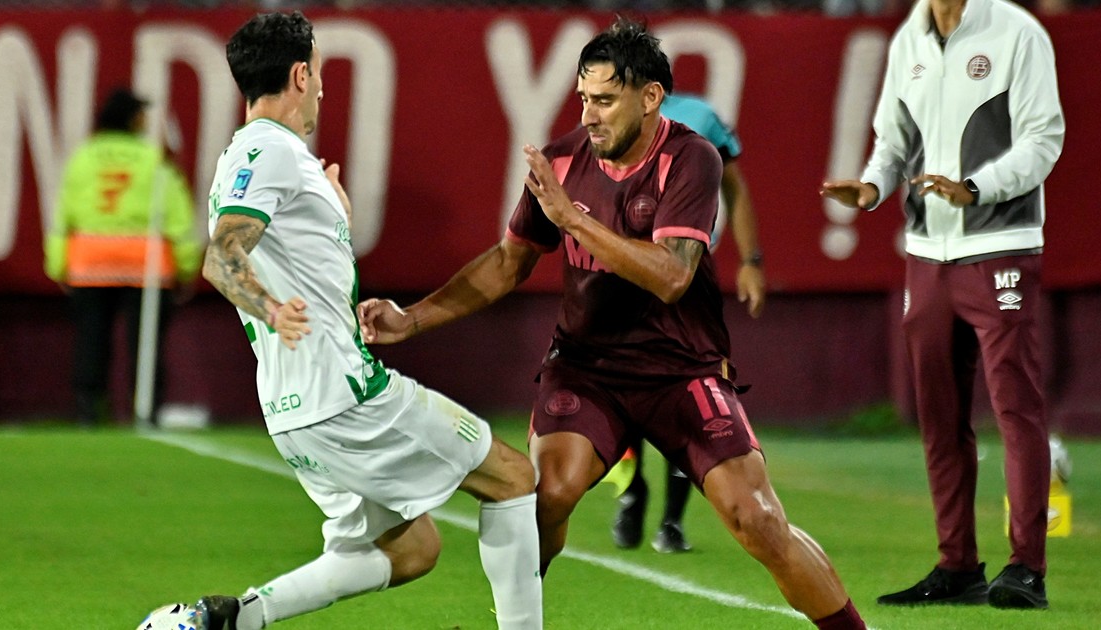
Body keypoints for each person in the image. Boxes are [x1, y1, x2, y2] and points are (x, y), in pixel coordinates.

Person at [360, 17, 865, 629]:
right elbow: (508, 263)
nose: (589, 115)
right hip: (586, 368)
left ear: (650, 97)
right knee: (544, 497)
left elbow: (671, 275)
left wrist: (574, 221)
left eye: (604, 100)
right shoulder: (562, 161)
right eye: (583, 98)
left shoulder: (691, 158)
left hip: (682, 371)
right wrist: (410, 319)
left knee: (757, 518)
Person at [191, 12, 542, 630]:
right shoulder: (268, 149)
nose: (323, 87)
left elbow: (285, 254)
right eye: (319, 70)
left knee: (412, 549)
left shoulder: (252, 156)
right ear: (301, 75)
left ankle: (231, 620)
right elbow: (222, 257)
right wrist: (271, 308)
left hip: (295, 408)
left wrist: (333, 222)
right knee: (512, 477)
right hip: (343, 395)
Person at [820, 0, 1064, 610]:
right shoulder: (912, 36)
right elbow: (893, 140)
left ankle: (1026, 567)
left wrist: (976, 188)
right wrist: (872, 187)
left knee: (1015, 407)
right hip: (927, 254)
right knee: (938, 416)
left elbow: (1044, 139)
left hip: (1001, 246)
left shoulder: (1016, 32)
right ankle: (957, 566)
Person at [611, 91, 766, 554]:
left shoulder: (700, 117)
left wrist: (752, 260)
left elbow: (735, 187)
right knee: (619, 390)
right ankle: (631, 489)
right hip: (624, 270)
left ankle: (672, 521)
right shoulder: (604, 115)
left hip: (689, 271)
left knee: (690, 389)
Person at [44, 86, 201, 425]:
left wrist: (58, 265)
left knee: (91, 341)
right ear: (132, 119)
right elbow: (177, 216)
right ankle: (145, 409)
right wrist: (186, 266)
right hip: (145, 264)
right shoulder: (153, 159)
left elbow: (63, 216)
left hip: (90, 262)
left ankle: (89, 409)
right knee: (145, 345)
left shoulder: (83, 157)